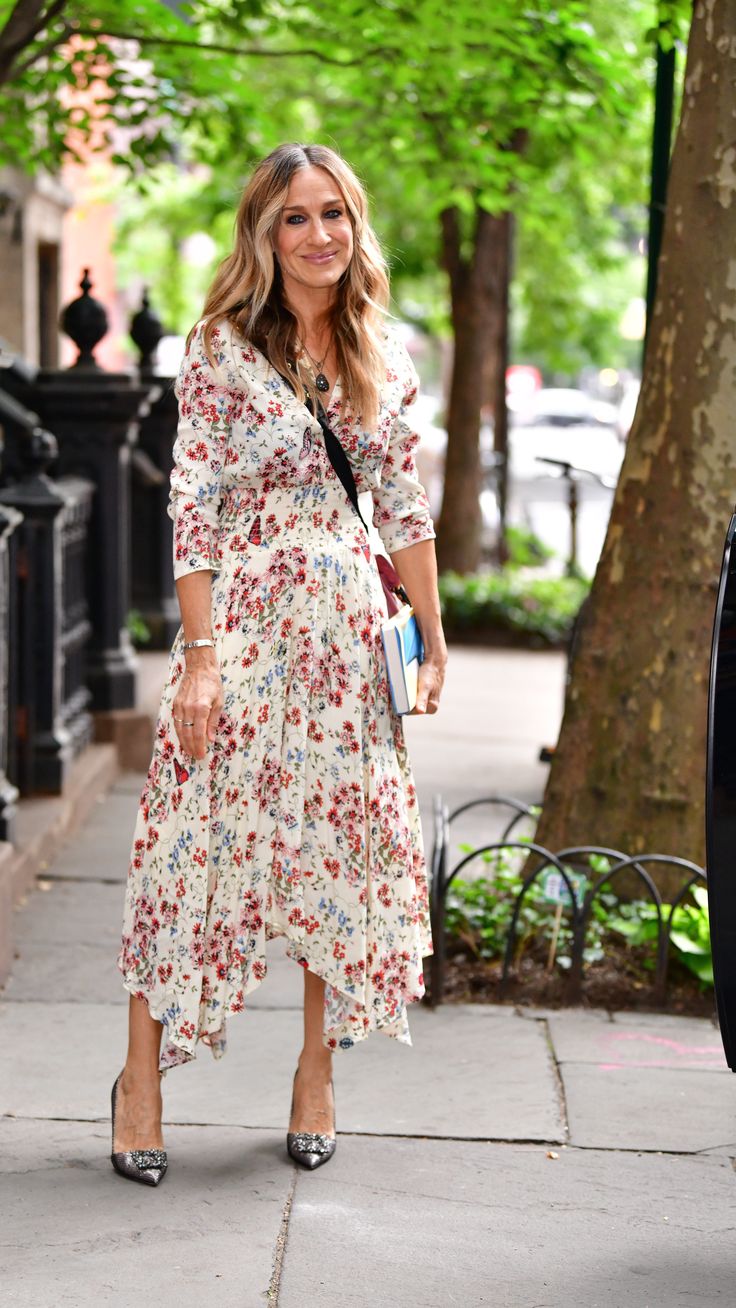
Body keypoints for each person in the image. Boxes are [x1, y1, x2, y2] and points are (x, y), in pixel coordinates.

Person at [111, 142, 447, 1186]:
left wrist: (431, 638)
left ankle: (316, 1073)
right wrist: (201, 656)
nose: (317, 236)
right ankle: (140, 1080)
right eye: (295, 218)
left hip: (348, 634)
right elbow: (195, 502)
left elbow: (400, 505)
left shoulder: (383, 350)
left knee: (334, 850)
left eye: (333, 214)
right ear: (265, 233)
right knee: (184, 844)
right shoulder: (217, 349)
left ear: (355, 226)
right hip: (246, 624)